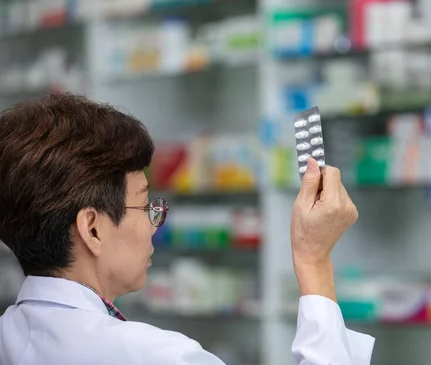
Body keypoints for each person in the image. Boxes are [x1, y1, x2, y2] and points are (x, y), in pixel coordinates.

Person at [0, 94, 374, 365]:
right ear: (92, 229)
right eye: (145, 205)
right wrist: (314, 259)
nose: (153, 226)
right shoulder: (159, 357)